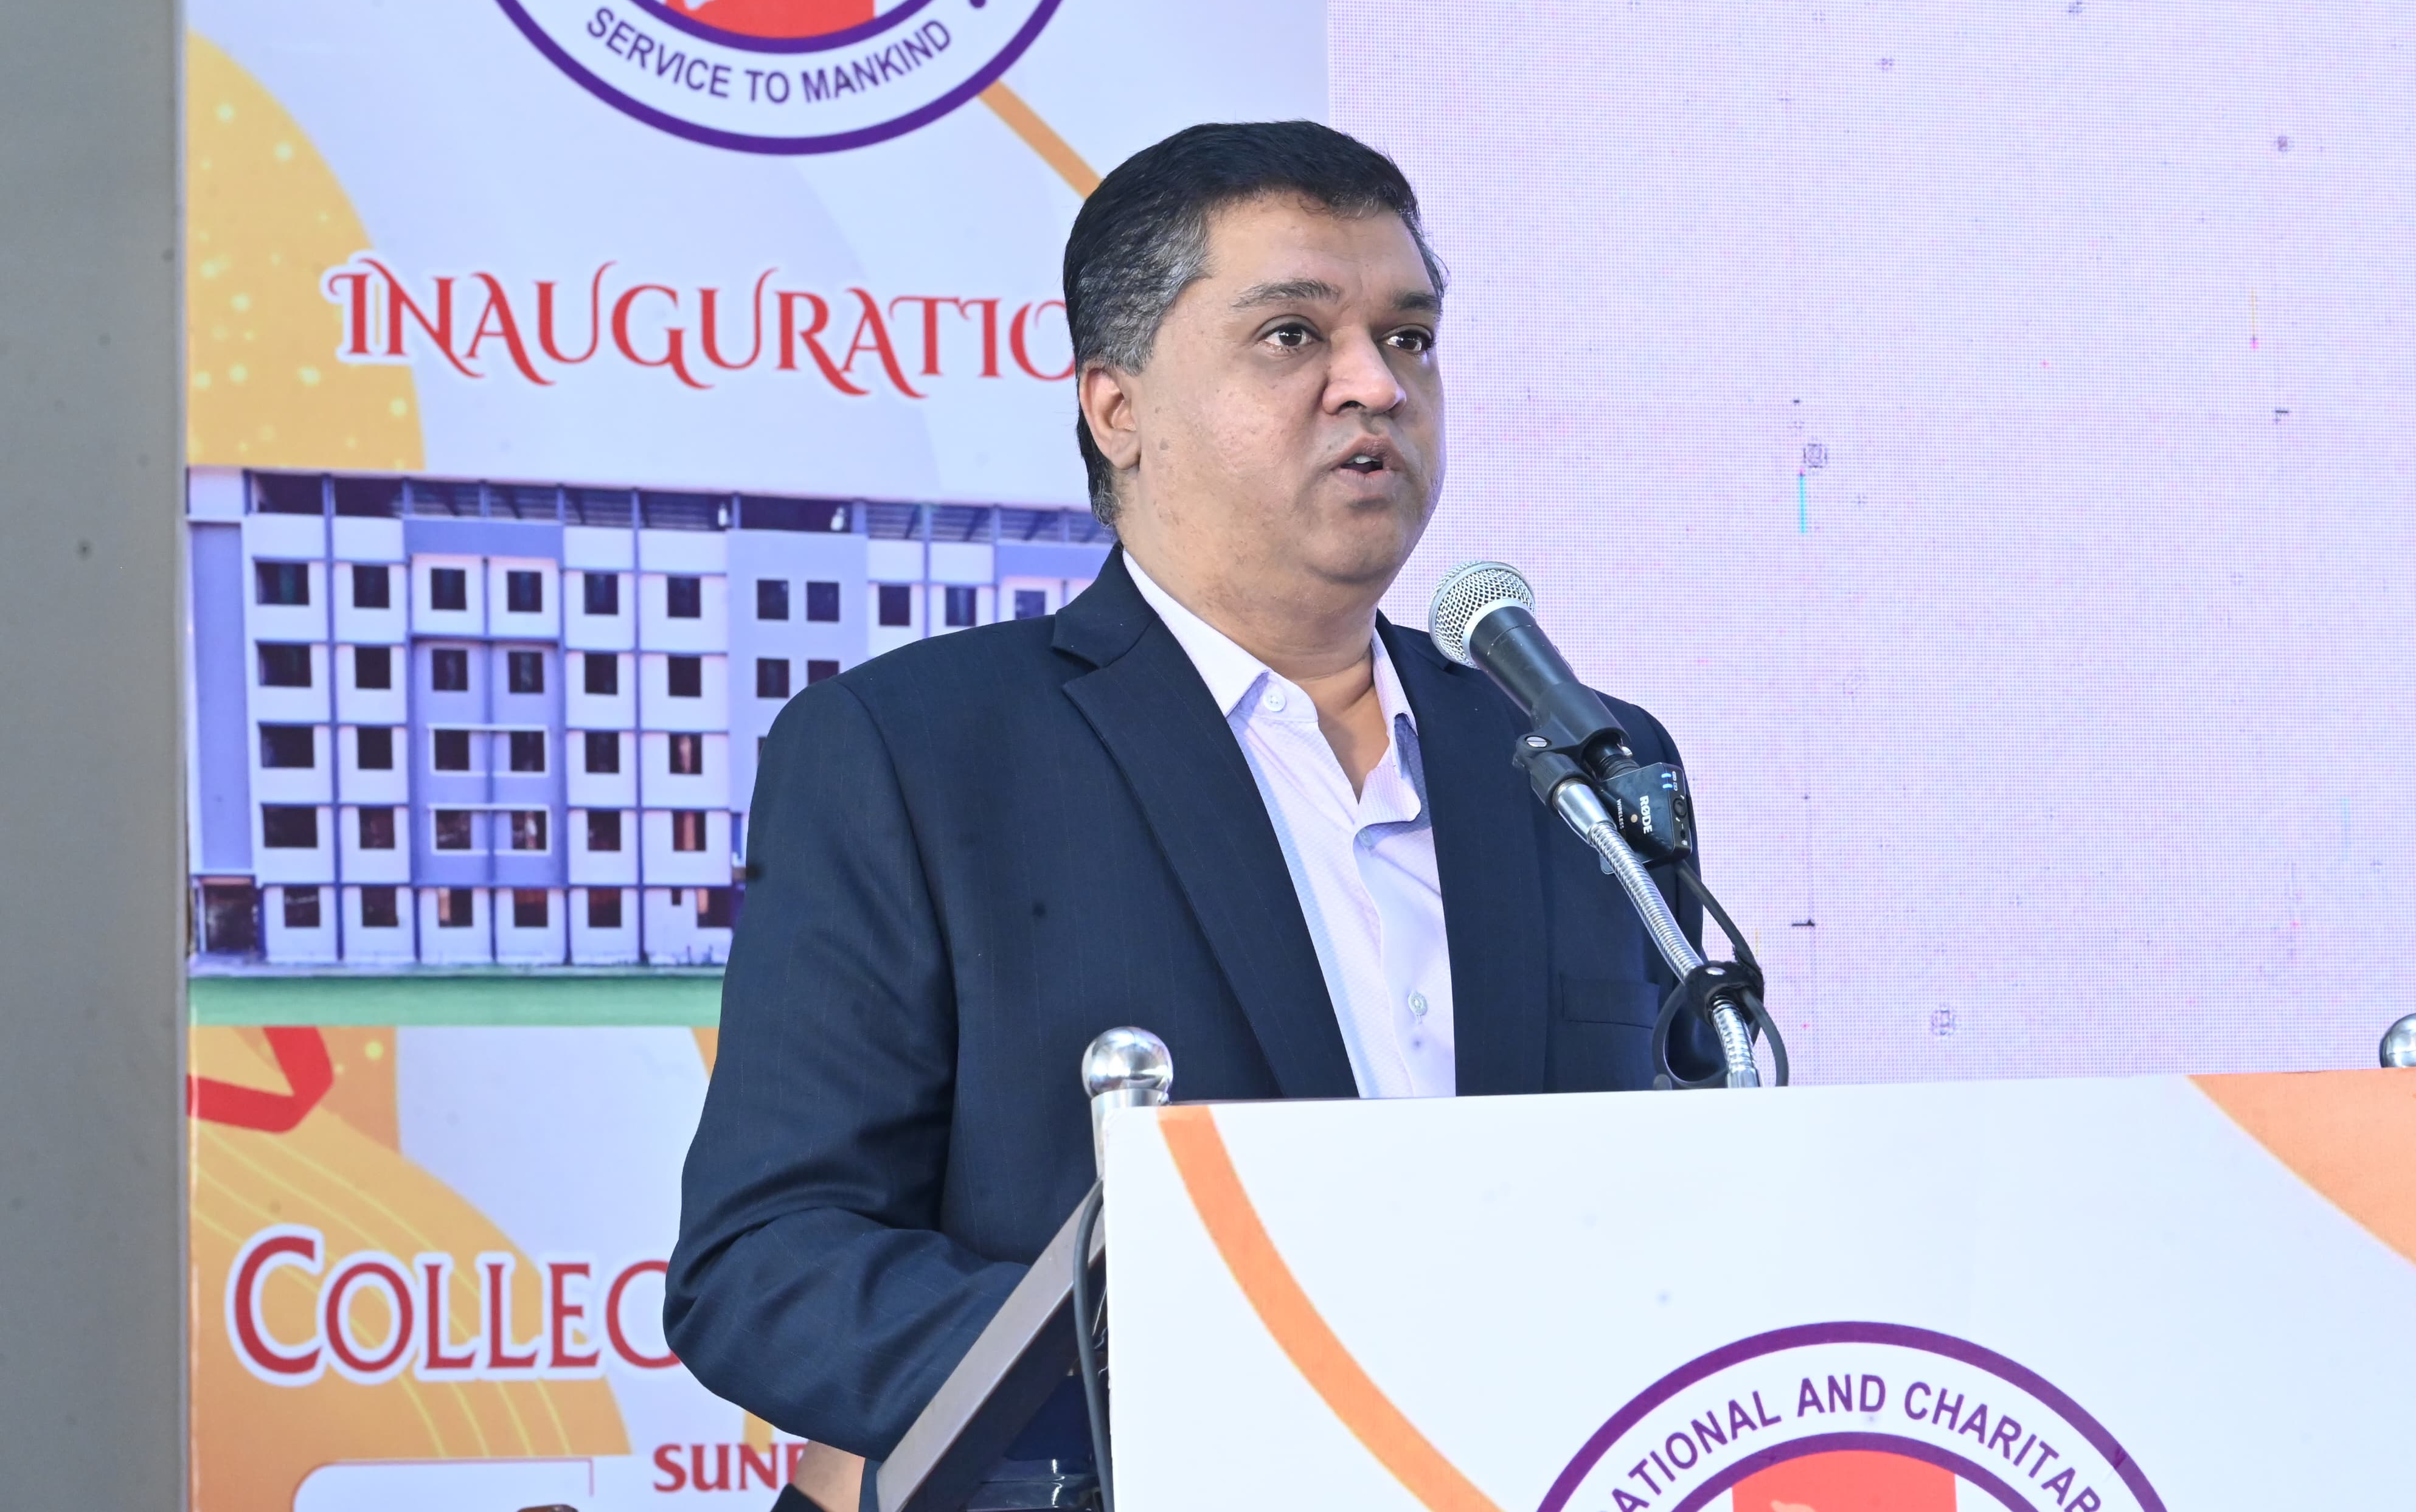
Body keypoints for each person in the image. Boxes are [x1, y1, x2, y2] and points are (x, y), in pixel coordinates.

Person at [665, 120, 1723, 1508]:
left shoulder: (1576, 760)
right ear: (1118, 408)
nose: (1376, 385)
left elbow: (1688, 1194)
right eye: (1293, 336)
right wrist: (1182, 1356)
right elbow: (770, 1266)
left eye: (1409, 338)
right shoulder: (917, 754)